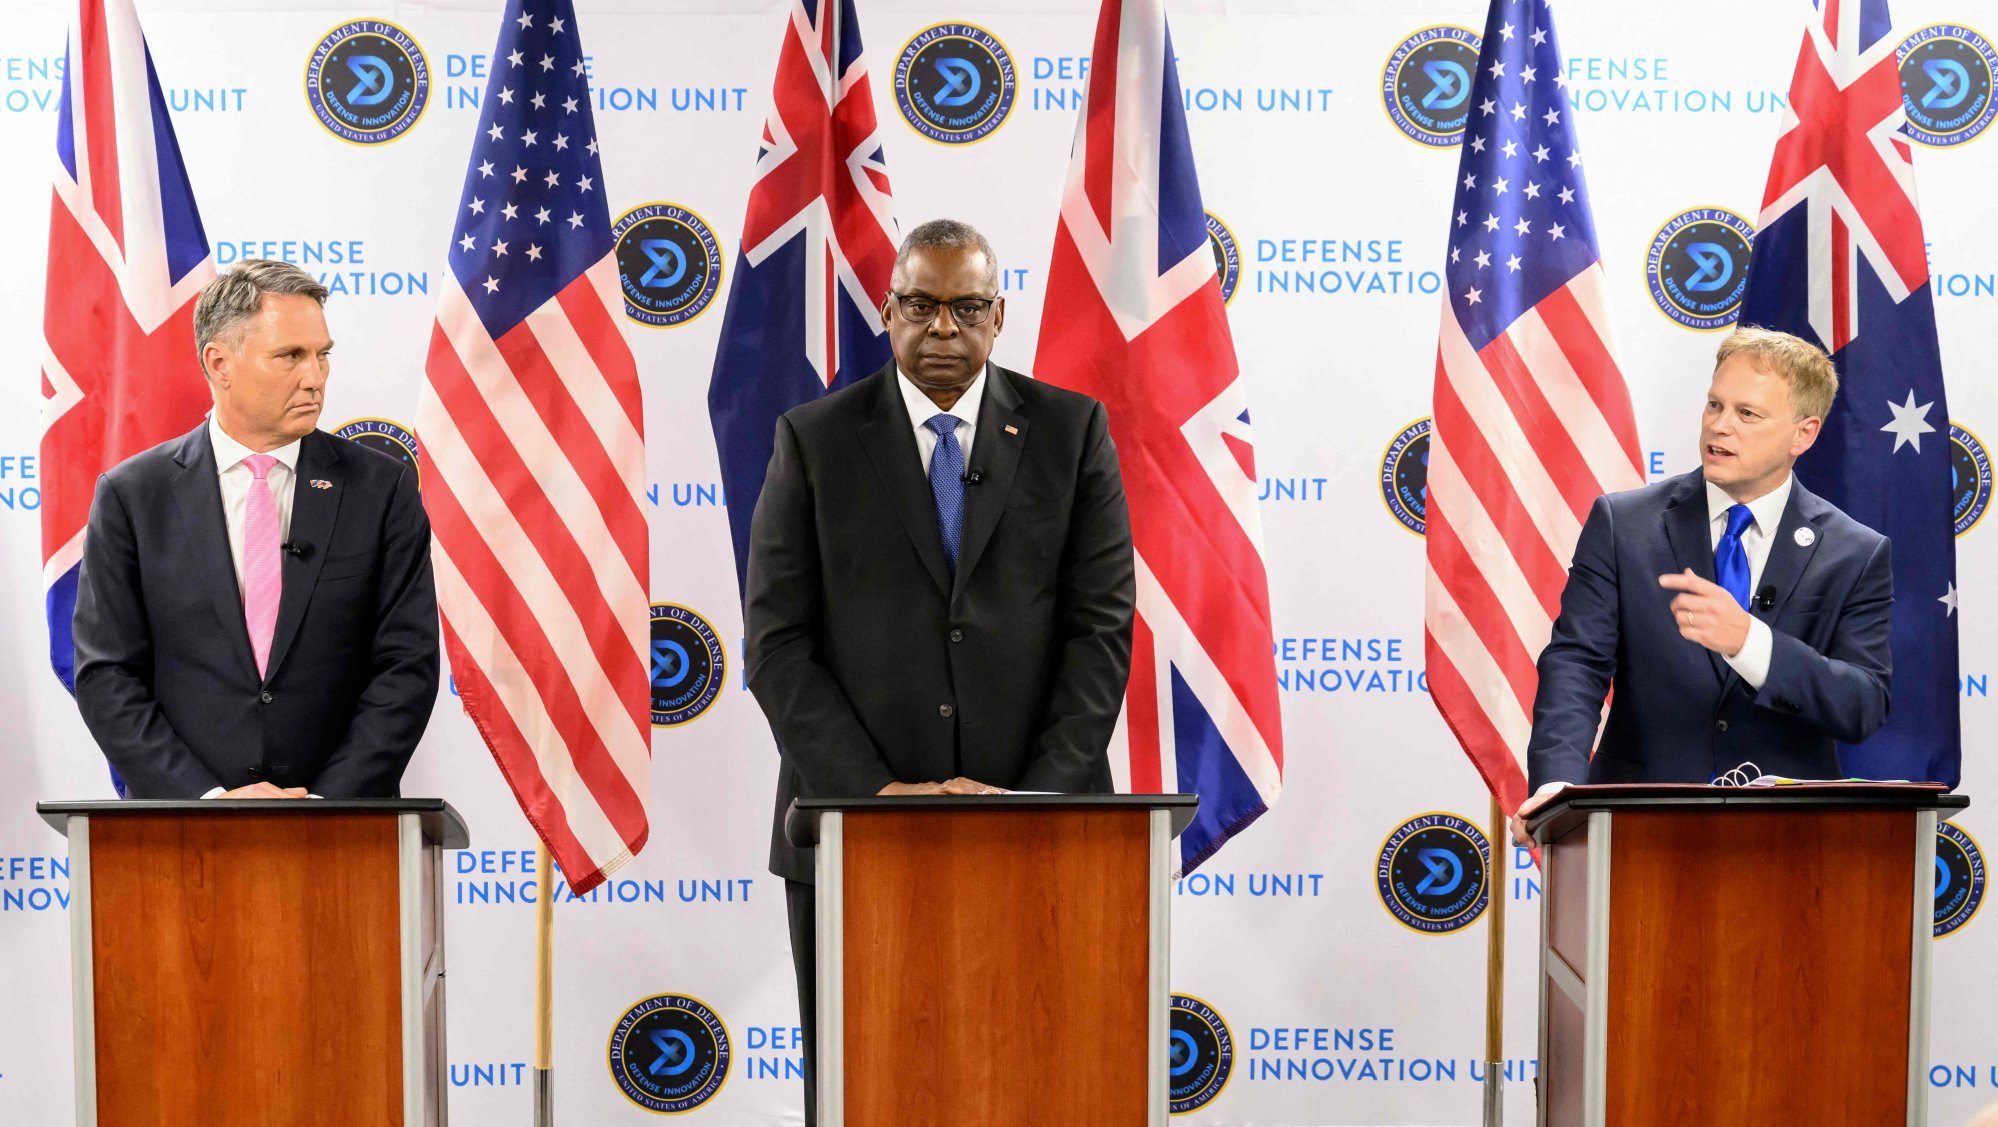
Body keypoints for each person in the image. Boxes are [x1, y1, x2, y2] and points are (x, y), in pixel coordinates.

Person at [743, 219, 1135, 1122]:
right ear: (887, 312)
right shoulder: (814, 439)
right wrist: (875, 796)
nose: (943, 328)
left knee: (1044, 1085)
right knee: (865, 1087)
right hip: (853, 832)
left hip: (1042, 832)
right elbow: (776, 642)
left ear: (1000, 315)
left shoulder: (1072, 432)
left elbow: (1101, 631)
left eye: (966, 307)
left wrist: (1034, 800)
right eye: (920, 305)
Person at [73, 260, 439, 799]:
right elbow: (107, 674)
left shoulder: (381, 489)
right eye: (290, 356)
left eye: (322, 355)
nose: (315, 377)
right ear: (219, 363)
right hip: (183, 827)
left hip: (343, 826)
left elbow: (406, 666)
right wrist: (205, 801)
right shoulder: (133, 496)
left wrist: (325, 806)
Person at [1513, 326, 1893, 842]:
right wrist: (1558, 787)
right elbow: (1576, 664)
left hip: (1789, 838)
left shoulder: (1854, 552)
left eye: (1747, 414)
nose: (1720, 426)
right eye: (1715, 405)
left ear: (1803, 434)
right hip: (1636, 828)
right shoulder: (1624, 525)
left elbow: (1862, 704)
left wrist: (1752, 644)